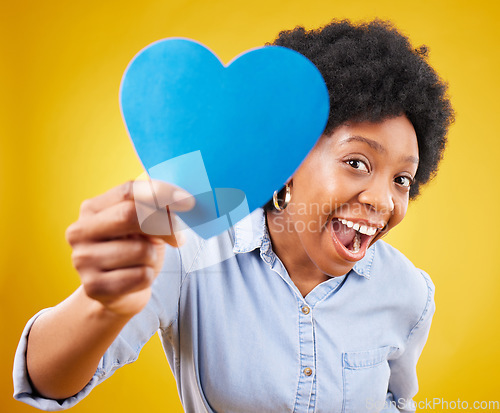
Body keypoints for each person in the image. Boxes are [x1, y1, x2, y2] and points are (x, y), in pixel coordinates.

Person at [13, 19, 454, 412]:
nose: (383, 200)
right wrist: (101, 303)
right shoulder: (185, 245)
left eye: (402, 180)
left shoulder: (408, 292)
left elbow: (398, 402)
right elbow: (47, 382)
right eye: (357, 162)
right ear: (289, 158)